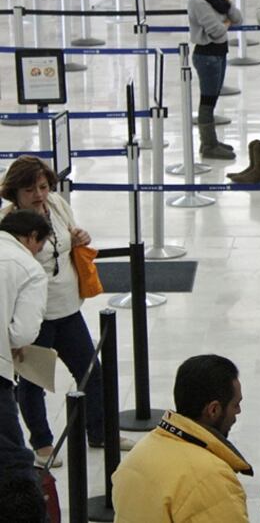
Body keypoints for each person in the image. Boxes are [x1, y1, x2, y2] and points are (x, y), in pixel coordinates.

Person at [1, 157, 136, 468]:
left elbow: (71, 235)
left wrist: (80, 237)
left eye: (43, 187)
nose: (38, 194)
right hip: (33, 316)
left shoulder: (57, 206)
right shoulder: (8, 223)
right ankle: (43, 444)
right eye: (29, 189)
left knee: (91, 371)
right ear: (15, 193)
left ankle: (99, 431)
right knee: (34, 382)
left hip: (67, 306)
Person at [112, 354, 251, 522]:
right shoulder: (212, 477)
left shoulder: (137, 455)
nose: (238, 412)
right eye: (235, 404)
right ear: (213, 410)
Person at [0, 210, 49, 484]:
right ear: (32, 238)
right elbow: (23, 334)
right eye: (39, 248)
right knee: (13, 461)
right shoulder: (29, 269)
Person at [187, 0, 243, 161]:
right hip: (206, 56)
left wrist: (227, 1)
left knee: (213, 98)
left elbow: (238, 17)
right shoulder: (198, 2)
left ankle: (211, 141)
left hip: (219, 53)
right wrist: (226, 23)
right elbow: (217, 30)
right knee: (207, 101)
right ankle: (208, 144)